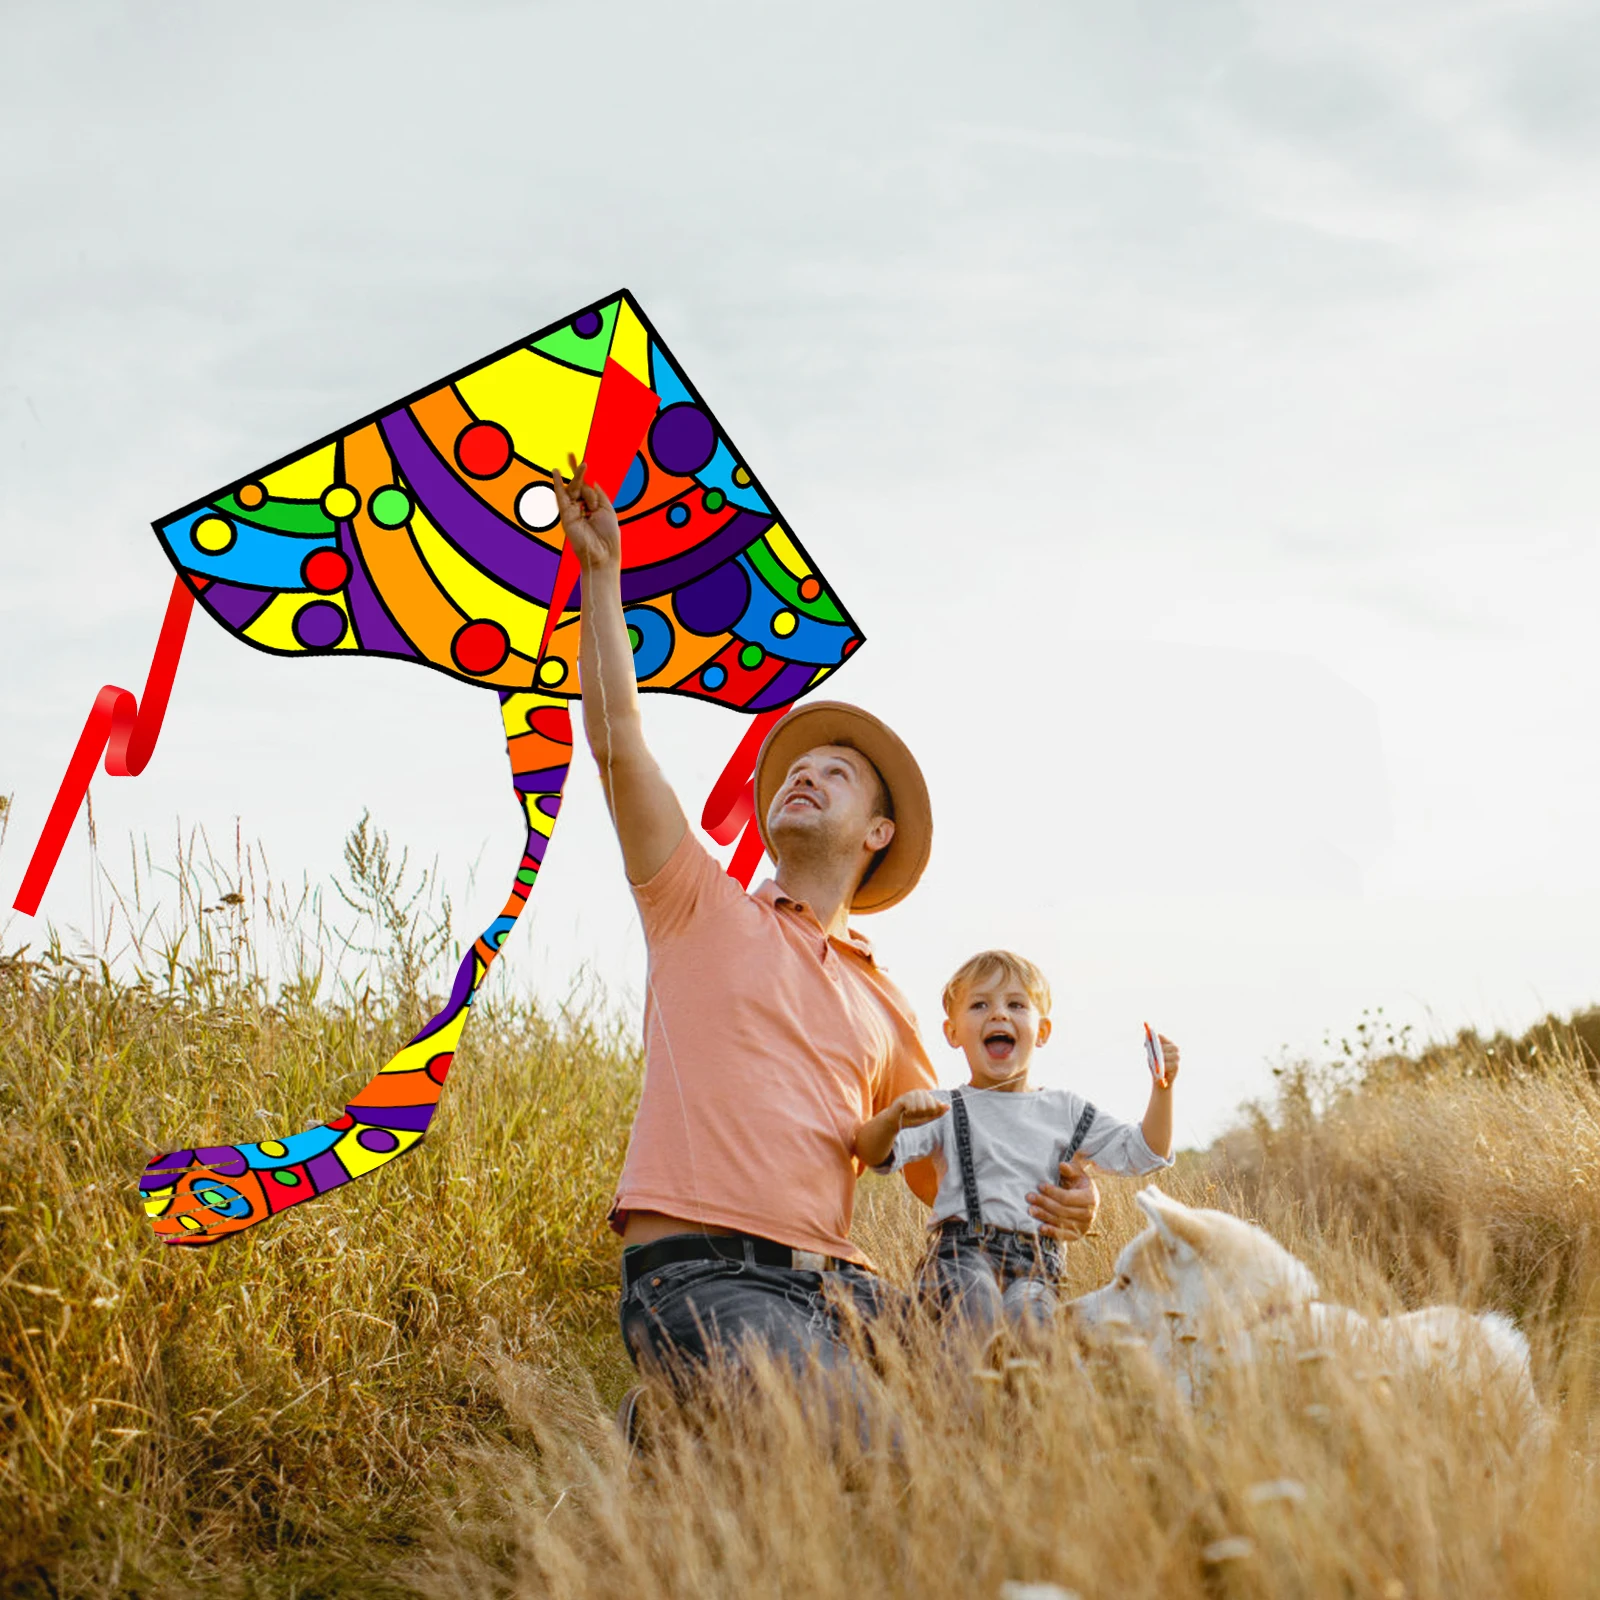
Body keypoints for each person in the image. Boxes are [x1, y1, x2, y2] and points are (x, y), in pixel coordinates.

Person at [549, 460, 1103, 1401]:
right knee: (873, 1454)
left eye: (836, 772)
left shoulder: (885, 1004)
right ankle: (693, 1419)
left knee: (1009, 1402)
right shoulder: (694, 902)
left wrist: (1063, 1203)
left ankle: (683, 1445)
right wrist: (601, 577)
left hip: (843, 1289)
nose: (805, 774)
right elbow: (615, 742)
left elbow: (960, 1169)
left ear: (875, 835)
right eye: (797, 767)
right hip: (701, 1278)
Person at [854, 949, 1178, 1344]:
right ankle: (965, 1404)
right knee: (974, 1307)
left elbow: (1144, 1152)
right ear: (952, 1032)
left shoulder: (1066, 1110)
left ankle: (1024, 1403)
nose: (999, 1015)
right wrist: (891, 1119)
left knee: (1032, 1329)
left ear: (1042, 1031)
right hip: (961, 1257)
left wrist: (1163, 1088)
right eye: (979, 1005)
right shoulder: (942, 1107)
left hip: (1037, 1264)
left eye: (1016, 1005)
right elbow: (872, 1154)